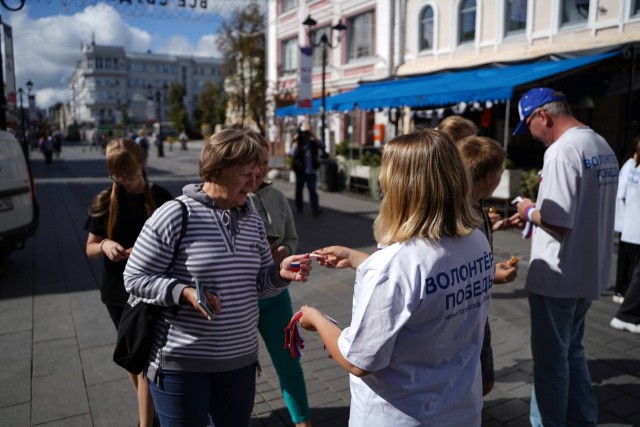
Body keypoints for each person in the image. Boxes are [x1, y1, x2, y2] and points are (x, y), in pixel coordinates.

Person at [299, 129, 493, 426]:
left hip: (402, 415)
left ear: (400, 186)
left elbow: (359, 361)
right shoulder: (476, 241)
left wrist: (315, 318)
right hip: (459, 409)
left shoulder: (394, 265)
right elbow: (426, 289)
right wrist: (359, 260)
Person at [123, 127, 313, 427]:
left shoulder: (251, 217)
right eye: (245, 174)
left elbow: (259, 285)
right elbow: (134, 277)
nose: (255, 182)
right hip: (181, 367)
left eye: (257, 172)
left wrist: (278, 273)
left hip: (240, 364)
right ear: (215, 170)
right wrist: (183, 293)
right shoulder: (174, 214)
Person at [510, 88, 618, 426]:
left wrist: (528, 210)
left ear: (543, 116)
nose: (531, 133)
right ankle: (583, 419)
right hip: (589, 270)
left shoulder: (561, 151)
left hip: (559, 275)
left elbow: (558, 221)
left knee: (551, 363)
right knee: (573, 353)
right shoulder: (601, 145)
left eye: (528, 125)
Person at [84, 138, 173, 427]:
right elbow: (91, 247)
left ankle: (146, 420)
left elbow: (176, 243)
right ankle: (150, 408)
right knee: (131, 356)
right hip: (116, 293)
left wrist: (143, 251)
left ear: (142, 166)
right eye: (117, 175)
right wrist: (106, 245)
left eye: (130, 175)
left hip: (151, 290)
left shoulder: (160, 197)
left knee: (145, 357)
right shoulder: (105, 201)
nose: (123, 181)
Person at [248, 141, 311, 427]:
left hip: (275, 296)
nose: (259, 170)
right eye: (252, 163)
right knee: (240, 370)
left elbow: (292, 238)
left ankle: (302, 421)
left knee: (289, 362)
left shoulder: (278, 197)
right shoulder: (231, 200)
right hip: (242, 300)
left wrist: (285, 249)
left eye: (263, 162)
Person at [457, 135, 518, 396]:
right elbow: (454, 266)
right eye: (501, 173)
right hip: (465, 311)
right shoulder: (462, 210)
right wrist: (492, 275)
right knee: (480, 382)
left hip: (475, 307)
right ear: (490, 176)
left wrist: (497, 225)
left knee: (482, 381)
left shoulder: (473, 203)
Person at [609, 138, 640, 333]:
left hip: (631, 224)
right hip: (632, 225)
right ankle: (627, 314)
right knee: (633, 270)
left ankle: (628, 313)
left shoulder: (632, 166)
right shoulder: (631, 166)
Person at [291, 128, 324, 217]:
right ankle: (299, 207)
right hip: (301, 171)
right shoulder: (298, 143)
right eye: (304, 135)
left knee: (312, 190)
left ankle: (315, 209)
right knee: (299, 189)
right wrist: (296, 140)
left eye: (307, 135)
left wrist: (313, 135)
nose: (305, 137)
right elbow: (292, 153)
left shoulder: (312, 143)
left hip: (311, 171)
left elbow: (322, 145)